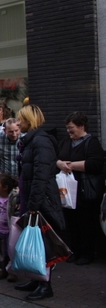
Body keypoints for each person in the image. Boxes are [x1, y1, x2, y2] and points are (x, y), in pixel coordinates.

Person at [13, 104, 65, 301]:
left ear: (29, 120)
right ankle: (37, 279)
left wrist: (34, 204)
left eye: (21, 119)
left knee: (42, 242)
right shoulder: (31, 141)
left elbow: (41, 175)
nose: (18, 123)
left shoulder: (40, 142)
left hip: (41, 200)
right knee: (37, 240)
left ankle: (45, 284)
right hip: (33, 198)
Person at [57, 111, 104, 266]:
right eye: (67, 128)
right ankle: (74, 250)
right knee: (72, 222)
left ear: (82, 126)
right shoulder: (65, 142)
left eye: (71, 128)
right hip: (68, 191)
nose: (69, 131)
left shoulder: (92, 143)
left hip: (85, 191)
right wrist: (59, 164)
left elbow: (95, 164)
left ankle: (87, 253)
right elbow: (56, 158)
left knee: (87, 222)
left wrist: (70, 166)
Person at [0, 173, 18, 282]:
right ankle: (3, 269)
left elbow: (15, 212)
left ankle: (12, 271)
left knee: (11, 251)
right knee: (1, 251)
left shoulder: (12, 198)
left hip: (9, 230)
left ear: (5, 187)